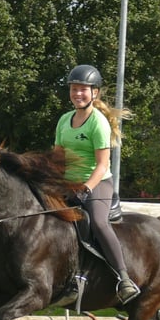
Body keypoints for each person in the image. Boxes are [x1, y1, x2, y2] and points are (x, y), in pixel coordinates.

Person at [54, 64, 140, 304]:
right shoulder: (63, 120)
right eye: (74, 89)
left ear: (95, 93)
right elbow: (58, 158)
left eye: (83, 90)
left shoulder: (98, 123)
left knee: (99, 224)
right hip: (68, 183)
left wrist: (86, 189)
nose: (77, 94)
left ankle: (124, 279)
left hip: (97, 183)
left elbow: (102, 165)